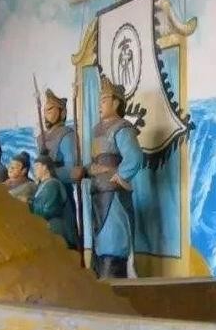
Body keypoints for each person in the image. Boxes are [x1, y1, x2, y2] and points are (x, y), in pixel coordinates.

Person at [72, 76, 144, 278]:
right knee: (99, 245)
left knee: (113, 243)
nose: (100, 105)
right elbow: (95, 163)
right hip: (96, 194)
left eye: (104, 100)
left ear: (116, 102)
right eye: (99, 101)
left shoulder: (122, 127)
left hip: (114, 195)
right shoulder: (96, 130)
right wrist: (84, 171)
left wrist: (119, 176)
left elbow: (134, 157)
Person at [37, 89, 79, 248]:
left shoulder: (66, 134)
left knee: (64, 236)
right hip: (43, 189)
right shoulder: (41, 138)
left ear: (62, 112)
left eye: (50, 109)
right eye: (44, 110)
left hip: (61, 192)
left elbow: (71, 169)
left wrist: (50, 173)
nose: (45, 114)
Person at [30, 154, 74, 248]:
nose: (34, 170)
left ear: (45, 167)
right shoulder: (42, 185)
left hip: (55, 228)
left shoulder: (52, 185)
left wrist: (29, 205)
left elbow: (49, 209)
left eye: (37, 167)